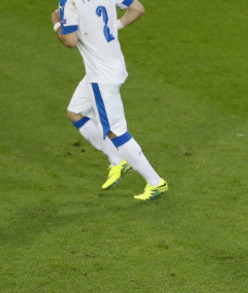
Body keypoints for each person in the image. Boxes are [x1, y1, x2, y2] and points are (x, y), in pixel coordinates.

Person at [51, 0, 167, 201]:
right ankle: (117, 160)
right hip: (114, 65)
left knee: (116, 132)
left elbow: (69, 41)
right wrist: (116, 26)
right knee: (75, 112)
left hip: (101, 78)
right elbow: (138, 9)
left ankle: (155, 182)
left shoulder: (69, 3)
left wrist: (57, 24)